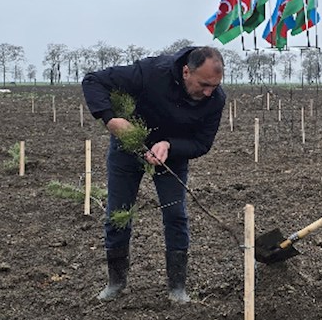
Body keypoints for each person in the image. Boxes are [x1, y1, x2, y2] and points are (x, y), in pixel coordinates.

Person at [82, 46, 226, 303]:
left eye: (214, 86)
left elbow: (202, 143)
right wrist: (110, 119)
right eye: (204, 84)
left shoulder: (215, 99)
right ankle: (115, 283)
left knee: (175, 215)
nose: (208, 92)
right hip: (128, 148)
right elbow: (93, 80)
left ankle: (177, 287)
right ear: (185, 71)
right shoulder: (151, 72)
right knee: (118, 213)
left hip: (172, 157)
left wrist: (170, 144)